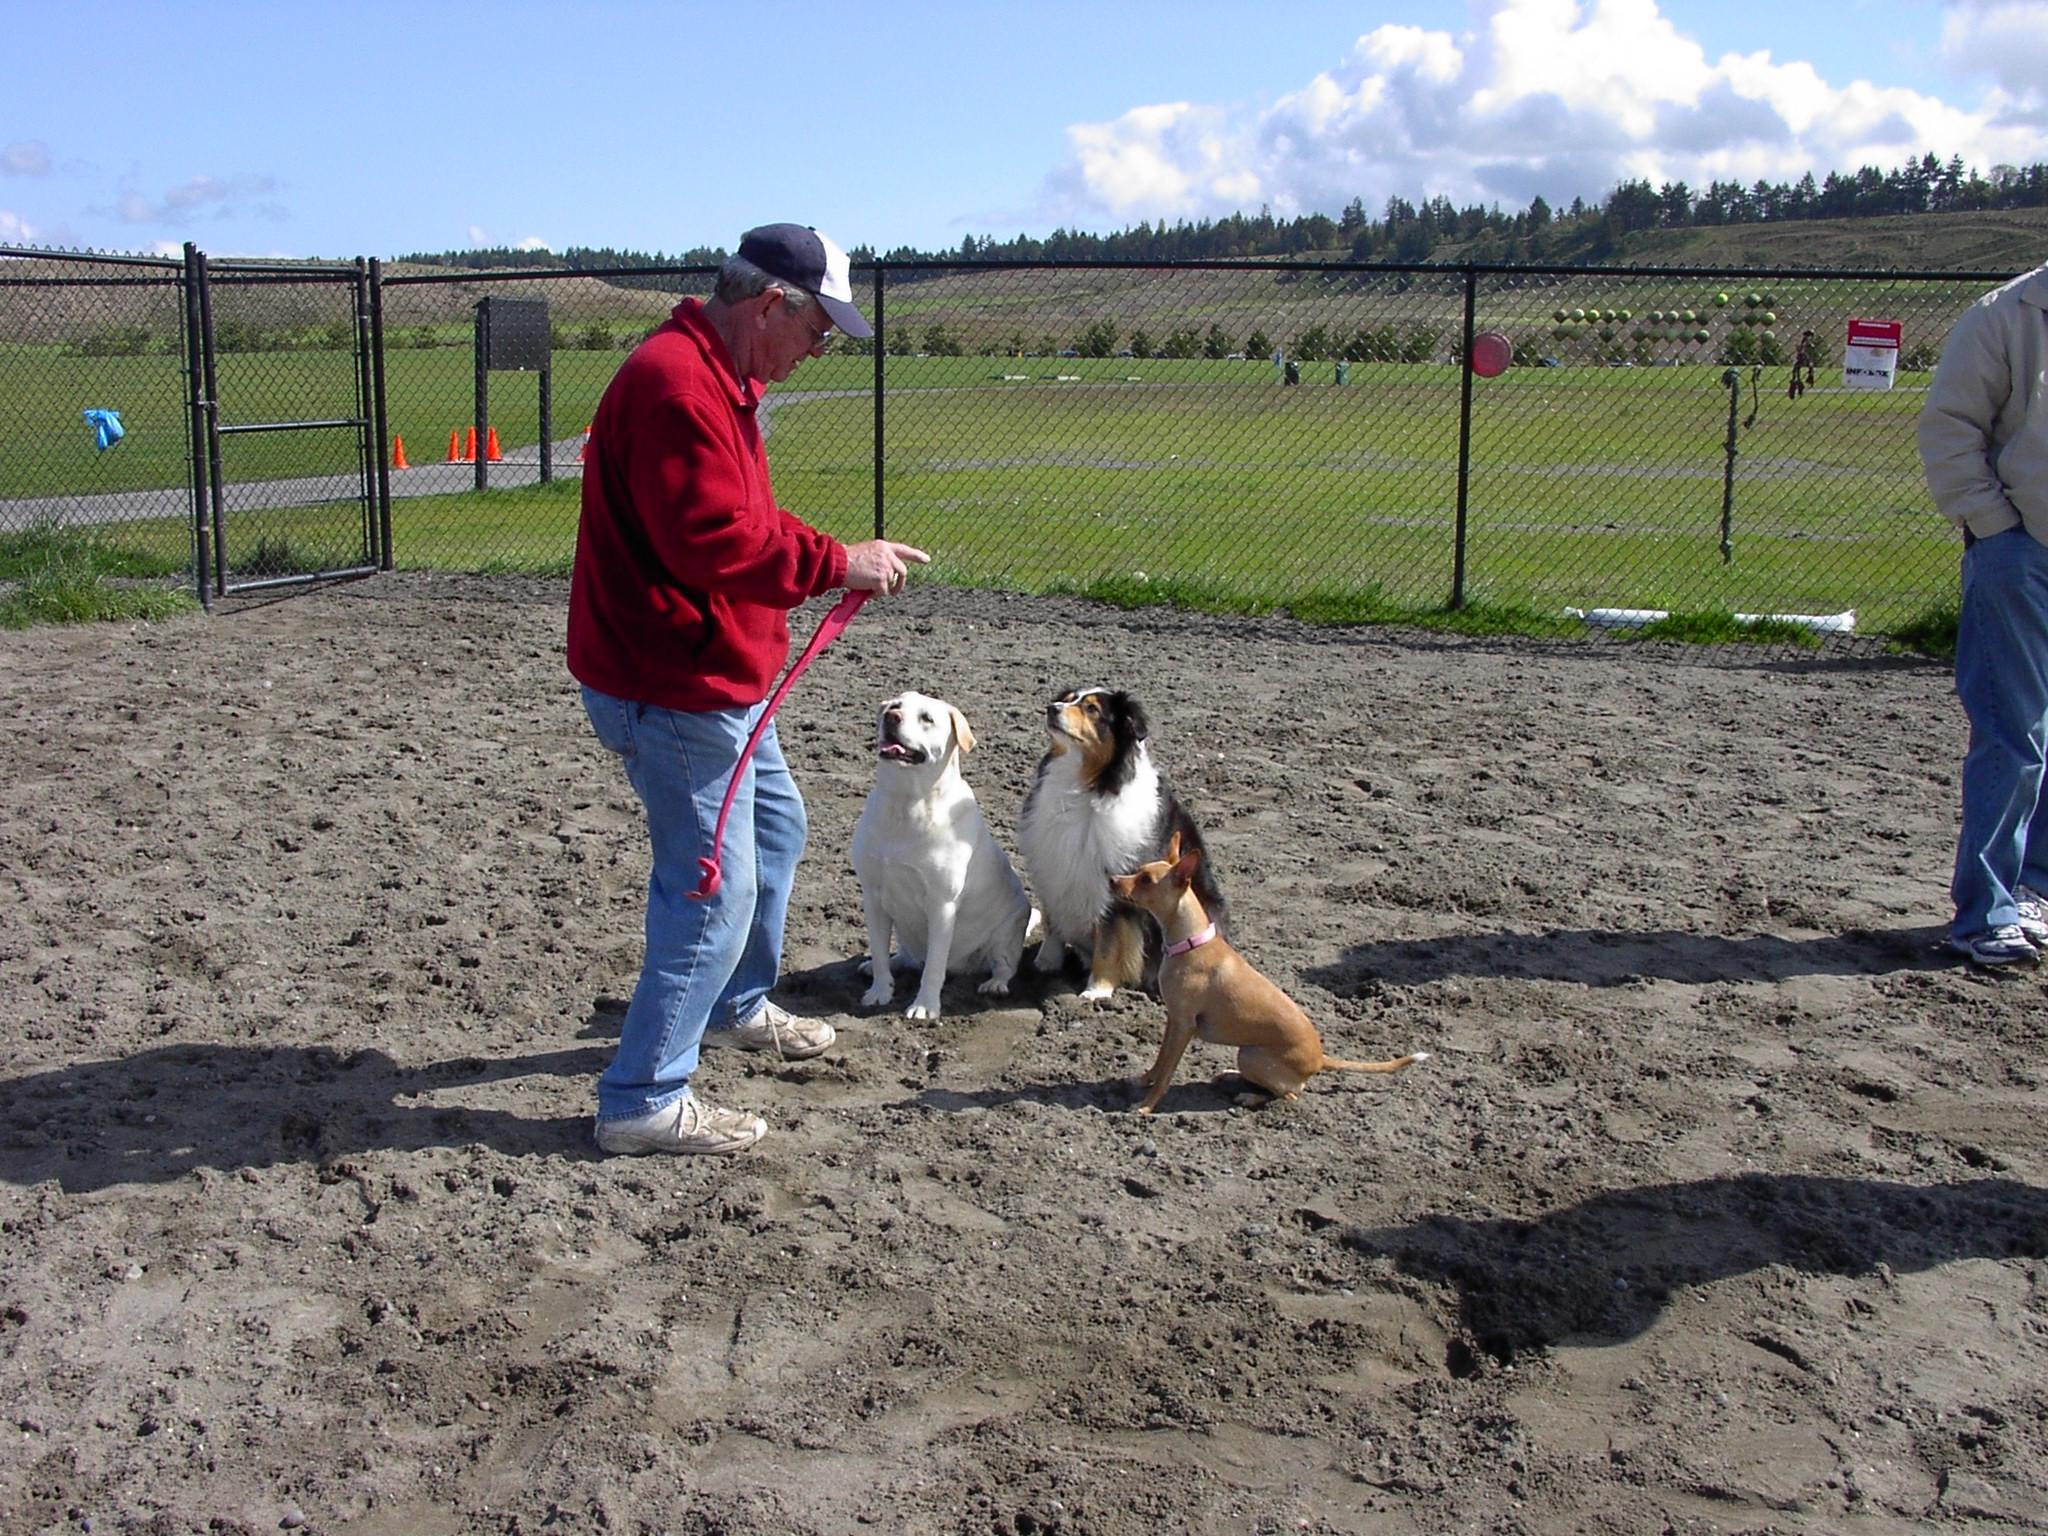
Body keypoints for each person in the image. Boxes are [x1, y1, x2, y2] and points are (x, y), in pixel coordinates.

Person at [568, 223, 930, 1152]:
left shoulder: (718, 378)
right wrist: (837, 562)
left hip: (715, 676)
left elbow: (741, 518)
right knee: (709, 890)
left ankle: (735, 1002)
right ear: (773, 303)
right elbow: (713, 541)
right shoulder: (677, 385)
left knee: (776, 829)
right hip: (675, 683)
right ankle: (642, 1099)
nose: (817, 352)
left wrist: (826, 558)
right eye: (816, 332)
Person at [1916, 259, 2048, 967]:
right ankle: (1987, 912)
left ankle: (2037, 890)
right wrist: (1995, 532)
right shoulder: (2003, 316)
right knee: (2012, 731)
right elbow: (1949, 428)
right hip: (2022, 553)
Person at [1788, 330, 1818, 399]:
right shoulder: (1805, 341)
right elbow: (1802, 349)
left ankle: (1798, 387)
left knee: (1796, 373)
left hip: (1802, 357)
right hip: (1802, 357)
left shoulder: (1805, 341)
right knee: (1796, 373)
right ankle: (1799, 387)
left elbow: (1802, 349)